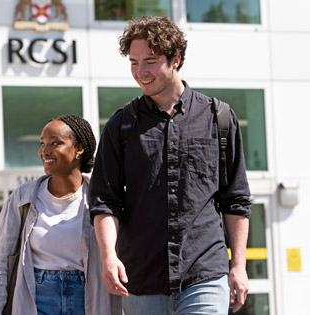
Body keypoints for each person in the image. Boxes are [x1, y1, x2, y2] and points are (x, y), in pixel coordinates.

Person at [89, 16, 252, 314]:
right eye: (134, 62)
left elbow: (236, 200)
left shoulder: (220, 118)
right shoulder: (121, 125)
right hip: (141, 280)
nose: (141, 72)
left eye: (150, 61)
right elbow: (104, 201)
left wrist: (238, 266)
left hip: (204, 273)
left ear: (176, 59)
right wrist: (108, 257)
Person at [0, 115, 121, 314]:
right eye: (42, 144)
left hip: (88, 299)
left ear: (79, 149)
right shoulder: (22, 198)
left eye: (55, 143)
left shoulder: (100, 198)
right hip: (37, 299)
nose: (44, 151)